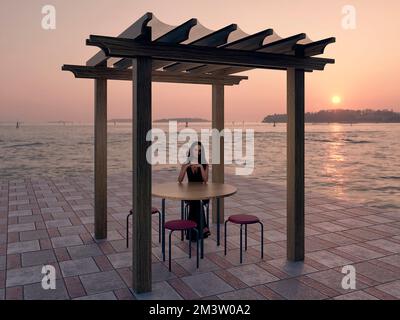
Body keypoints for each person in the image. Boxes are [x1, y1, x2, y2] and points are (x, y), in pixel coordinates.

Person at [178, 141, 210, 240]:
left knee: (197, 202)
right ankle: (203, 229)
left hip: (202, 193)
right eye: (196, 150)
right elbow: (179, 180)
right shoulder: (186, 163)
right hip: (190, 193)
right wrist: (186, 167)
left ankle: (192, 232)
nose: (197, 153)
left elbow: (205, 180)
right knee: (196, 202)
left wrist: (200, 167)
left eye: (200, 151)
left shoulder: (204, 164)